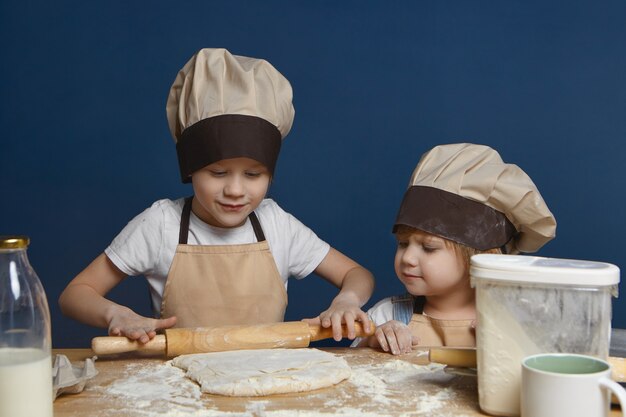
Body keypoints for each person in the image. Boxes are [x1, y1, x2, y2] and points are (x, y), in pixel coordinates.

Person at [59, 48, 374, 344]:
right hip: (181, 390)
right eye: (218, 173)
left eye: (253, 174)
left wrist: (346, 299)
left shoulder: (277, 224)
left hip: (267, 385)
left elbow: (357, 274)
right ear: (190, 168)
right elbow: (75, 294)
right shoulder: (160, 225)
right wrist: (117, 313)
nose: (235, 190)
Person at [353, 143, 556, 354]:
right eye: (403, 244)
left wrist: (513, 343)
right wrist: (373, 343)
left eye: (429, 247)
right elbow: (352, 373)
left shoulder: (516, 321)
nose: (408, 258)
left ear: (485, 258)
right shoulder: (388, 315)